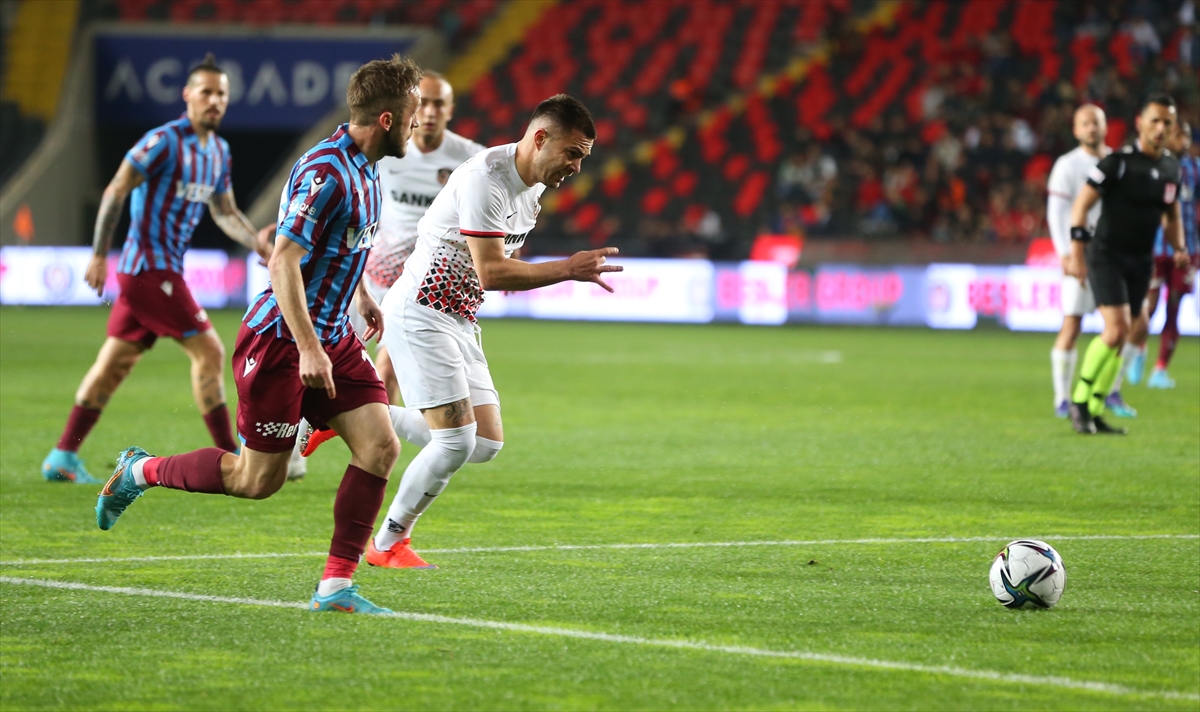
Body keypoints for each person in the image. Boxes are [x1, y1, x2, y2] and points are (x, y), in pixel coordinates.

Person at [94, 55, 424, 615]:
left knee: (379, 446)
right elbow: (283, 261)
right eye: (412, 115)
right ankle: (139, 470)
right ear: (387, 119)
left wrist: (361, 296)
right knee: (255, 481)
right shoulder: (325, 172)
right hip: (281, 343)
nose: (418, 124)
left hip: (333, 337)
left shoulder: (369, 168)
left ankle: (335, 587)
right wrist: (309, 347)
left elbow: (341, 247)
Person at [369, 95, 620, 568]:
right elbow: (491, 272)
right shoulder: (486, 179)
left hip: (459, 317)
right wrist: (568, 268)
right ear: (540, 138)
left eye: (583, 158)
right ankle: (387, 543)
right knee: (455, 442)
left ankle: (342, 413)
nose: (576, 167)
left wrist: (524, 269)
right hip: (421, 309)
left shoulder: (533, 188)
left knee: (485, 443)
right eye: (573, 153)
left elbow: (503, 262)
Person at [41, 55, 268, 484]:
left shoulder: (219, 152)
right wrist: (98, 253)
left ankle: (62, 456)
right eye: (206, 92)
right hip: (148, 269)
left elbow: (224, 211)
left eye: (221, 94)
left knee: (114, 364)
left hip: (161, 271)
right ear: (188, 95)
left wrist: (258, 242)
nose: (214, 100)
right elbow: (117, 189)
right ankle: (231, 456)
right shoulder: (164, 141)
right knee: (210, 351)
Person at [352, 69, 485, 404]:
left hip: (422, 281)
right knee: (338, 365)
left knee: (388, 369)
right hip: (373, 275)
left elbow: (494, 211)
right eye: (423, 103)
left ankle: (381, 436)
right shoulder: (388, 148)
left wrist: (508, 246)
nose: (429, 111)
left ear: (450, 110)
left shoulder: (471, 158)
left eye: (439, 104)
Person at [1065, 95, 1188, 435]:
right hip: (1106, 254)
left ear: (1173, 128)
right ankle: (1079, 400)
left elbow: (1172, 214)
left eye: (1167, 123)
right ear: (1140, 123)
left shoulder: (1171, 169)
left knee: (1134, 329)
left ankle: (1096, 408)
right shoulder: (1117, 163)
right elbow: (1081, 206)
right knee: (1116, 329)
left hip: (1141, 259)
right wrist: (1077, 253)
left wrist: (1179, 246)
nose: (1160, 128)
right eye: (1155, 121)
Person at [1045, 105, 1133, 418]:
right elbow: (1057, 213)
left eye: (1096, 122)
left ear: (1105, 127)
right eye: (1085, 123)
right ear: (1076, 130)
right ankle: (1062, 397)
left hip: (1113, 255)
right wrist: (1066, 253)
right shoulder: (1067, 165)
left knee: (1120, 328)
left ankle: (1110, 390)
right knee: (1072, 325)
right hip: (1082, 253)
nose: (1091, 128)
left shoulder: (1118, 162)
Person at [1123, 119, 1197, 388]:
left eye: (1186, 135)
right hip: (1154, 247)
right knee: (1149, 306)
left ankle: (1161, 369)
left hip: (1187, 250)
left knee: (1174, 307)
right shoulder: (1153, 166)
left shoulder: (1195, 168)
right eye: (1178, 135)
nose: (1183, 140)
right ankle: (1139, 349)